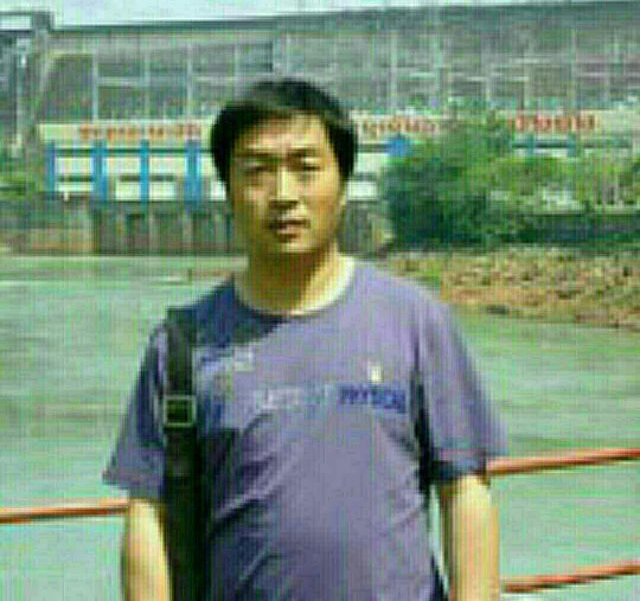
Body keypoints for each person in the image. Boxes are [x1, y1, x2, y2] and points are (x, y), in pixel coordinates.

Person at [103, 78, 508, 600]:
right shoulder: (183, 345)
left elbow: (465, 490)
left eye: (305, 168)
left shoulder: (416, 322)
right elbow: (148, 515)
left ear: (343, 184)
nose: (283, 195)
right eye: (257, 172)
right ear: (228, 190)